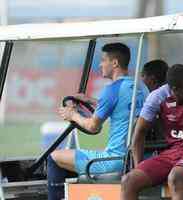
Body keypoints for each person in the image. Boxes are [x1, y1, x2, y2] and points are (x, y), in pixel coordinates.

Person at [47, 42, 149, 200]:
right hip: (137, 156)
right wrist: (91, 101)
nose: (100, 65)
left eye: (103, 60)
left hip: (114, 160)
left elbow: (93, 126)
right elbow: (122, 106)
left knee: (54, 157)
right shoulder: (140, 88)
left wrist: (73, 115)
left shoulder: (112, 89)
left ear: (114, 63)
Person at [121, 64, 183, 200]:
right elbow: (139, 132)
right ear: (175, 90)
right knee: (129, 180)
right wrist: (140, 168)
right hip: (171, 153)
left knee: (175, 178)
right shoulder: (157, 97)